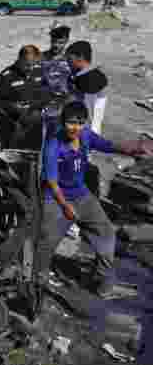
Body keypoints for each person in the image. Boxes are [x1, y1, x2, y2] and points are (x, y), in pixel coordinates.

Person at [36, 101, 152, 299]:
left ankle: (104, 285)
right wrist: (65, 207)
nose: (75, 128)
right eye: (71, 123)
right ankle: (37, 285)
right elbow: (52, 182)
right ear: (63, 122)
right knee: (46, 244)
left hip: (82, 195)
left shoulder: (86, 136)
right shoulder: (54, 144)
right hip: (56, 200)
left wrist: (133, 150)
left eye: (80, 123)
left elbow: (107, 145)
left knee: (106, 234)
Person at [64, 40, 109, 136]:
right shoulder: (88, 73)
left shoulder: (88, 79)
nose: (67, 62)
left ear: (80, 58)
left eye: (69, 60)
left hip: (87, 126)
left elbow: (89, 110)